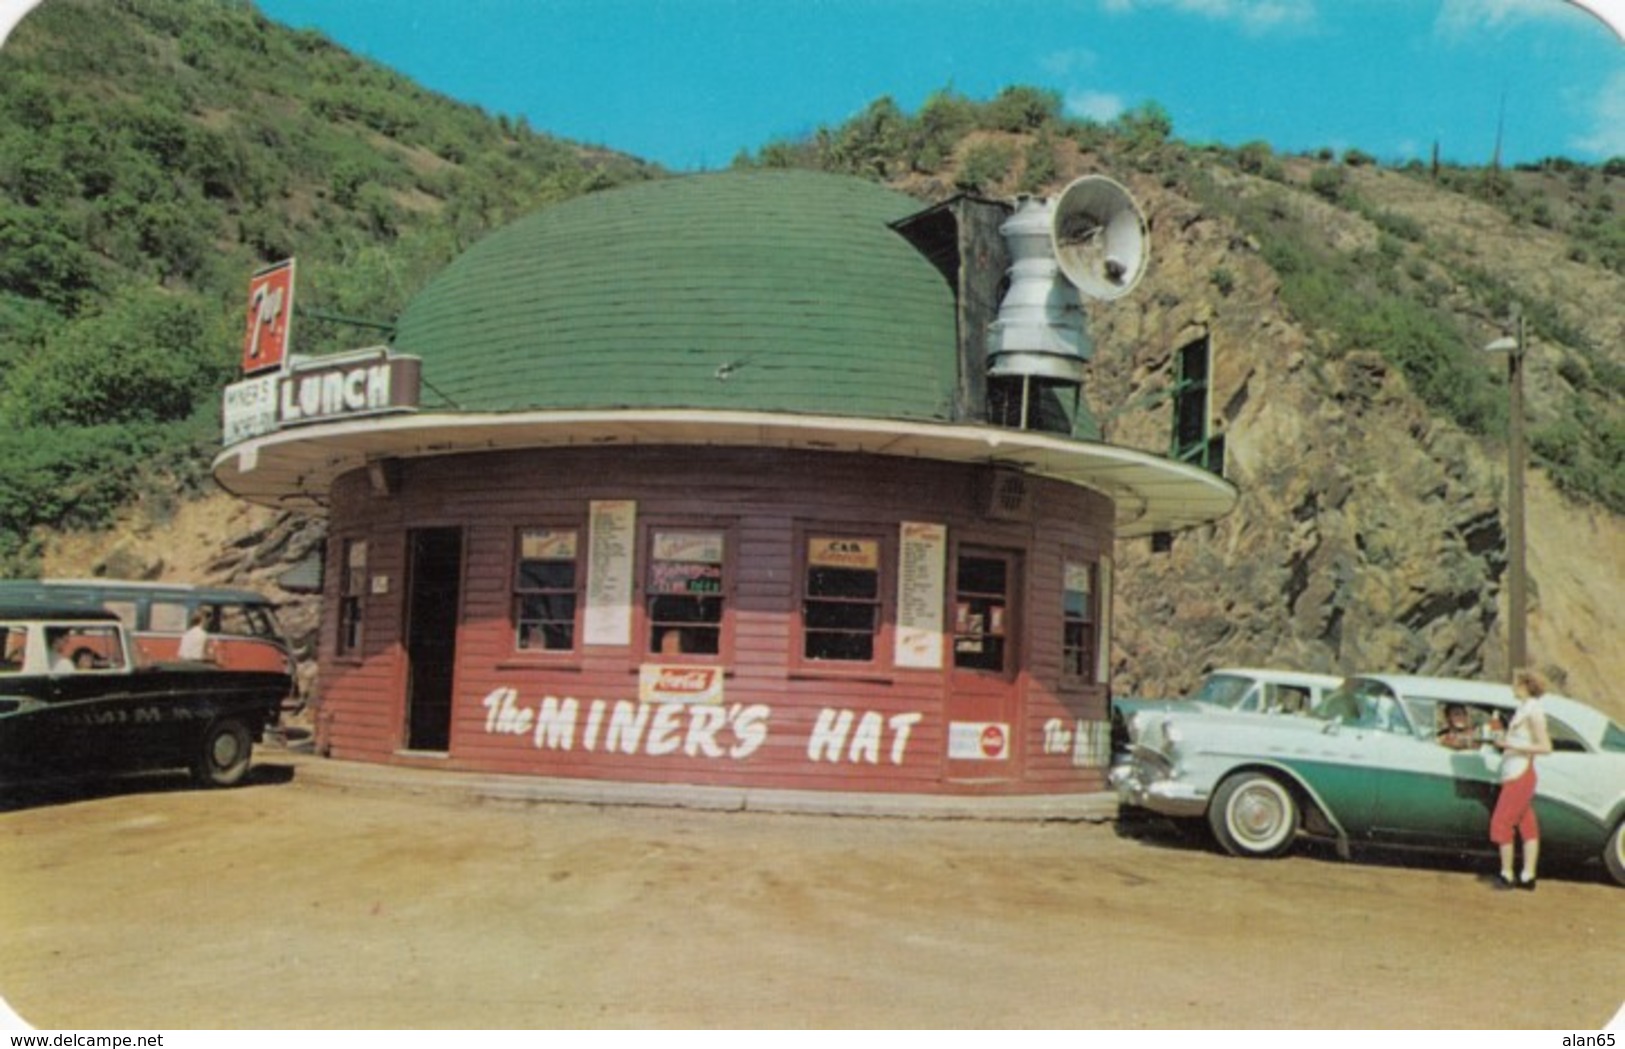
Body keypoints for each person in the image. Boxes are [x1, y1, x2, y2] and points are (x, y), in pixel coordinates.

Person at [1490, 668, 1553, 890]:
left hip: (1521, 772)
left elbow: (1545, 747)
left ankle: (1507, 874)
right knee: (1526, 824)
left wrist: (1511, 745)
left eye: (1516, 683)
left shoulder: (1534, 711)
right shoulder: (1524, 709)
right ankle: (1528, 875)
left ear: (1526, 686)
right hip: (1514, 771)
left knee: (1502, 822)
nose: (1512, 687)